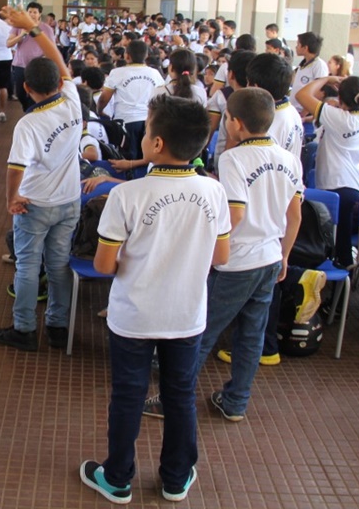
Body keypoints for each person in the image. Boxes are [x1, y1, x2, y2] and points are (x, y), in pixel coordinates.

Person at [79, 94, 230, 505]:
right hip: (186, 316)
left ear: (158, 144)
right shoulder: (214, 192)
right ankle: (175, 478)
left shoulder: (127, 196)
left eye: (146, 131)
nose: (143, 137)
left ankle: (117, 478)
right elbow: (221, 257)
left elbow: (105, 266)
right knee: (180, 396)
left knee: (128, 394)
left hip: (133, 317)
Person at [143, 88, 303, 423]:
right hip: (270, 257)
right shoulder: (289, 159)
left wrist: (208, 246)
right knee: (251, 335)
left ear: (236, 123)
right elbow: (295, 215)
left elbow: (236, 214)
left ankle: (171, 400)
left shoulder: (234, 158)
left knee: (201, 333)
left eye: (226, 117)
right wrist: (285, 256)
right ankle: (236, 401)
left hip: (237, 262)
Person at [0, 6, 82, 352]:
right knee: (59, 264)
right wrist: (33, 28)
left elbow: (15, 167)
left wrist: (10, 199)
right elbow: (58, 58)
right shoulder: (72, 100)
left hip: (36, 203)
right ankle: (59, 326)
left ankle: (25, 329)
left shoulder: (29, 123)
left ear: (26, 88)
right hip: (69, 200)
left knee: (28, 266)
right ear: (60, 83)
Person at [296, 76, 359, 268]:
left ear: (341, 98)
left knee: (330, 241)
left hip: (334, 184)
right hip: (352, 184)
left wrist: (326, 79)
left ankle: (333, 287)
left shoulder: (340, 118)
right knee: (342, 241)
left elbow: (301, 95)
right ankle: (341, 285)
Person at [96, 40, 164, 161]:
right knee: (145, 157)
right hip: (149, 121)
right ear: (146, 56)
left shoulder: (117, 73)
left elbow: (104, 98)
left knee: (127, 158)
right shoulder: (155, 74)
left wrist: (99, 111)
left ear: (127, 56)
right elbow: (161, 98)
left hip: (126, 121)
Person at [7, 2, 54, 112]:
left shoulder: (46, 28)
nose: (32, 14)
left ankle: (32, 113)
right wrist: (21, 35)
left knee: (35, 93)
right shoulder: (18, 26)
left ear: (39, 14)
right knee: (20, 92)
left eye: (35, 12)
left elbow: (51, 47)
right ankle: (27, 109)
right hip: (20, 65)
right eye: (30, 12)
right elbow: (8, 44)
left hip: (37, 67)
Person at [289, 32, 329, 113]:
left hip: (304, 112)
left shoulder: (319, 65)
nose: (296, 47)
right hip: (295, 109)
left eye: (298, 44)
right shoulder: (302, 64)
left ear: (305, 48)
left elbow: (318, 92)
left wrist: (304, 113)